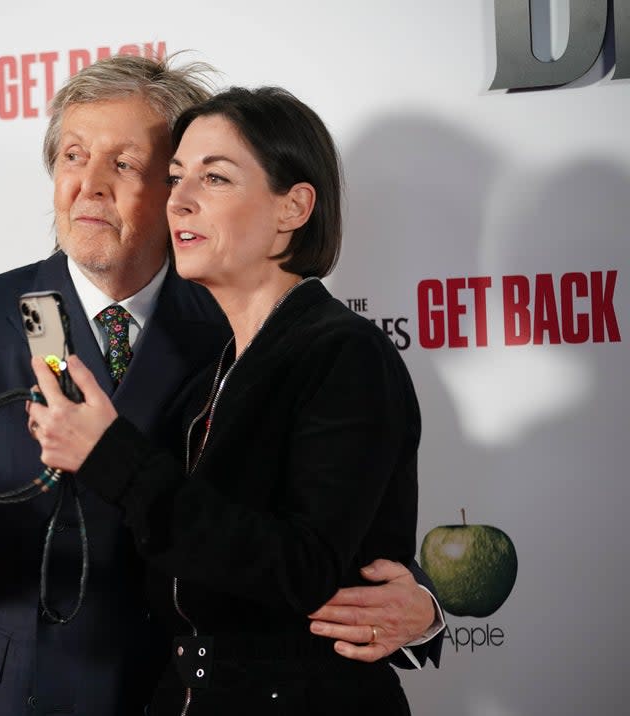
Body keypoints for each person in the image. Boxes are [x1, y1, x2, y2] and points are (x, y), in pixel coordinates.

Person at [0, 56, 441, 716]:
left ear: (172, 189)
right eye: (72, 156)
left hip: (177, 696)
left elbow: (316, 534)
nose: (89, 185)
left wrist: (425, 607)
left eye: (126, 163)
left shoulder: (242, 322)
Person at [27, 85, 425, 714]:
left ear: (293, 207)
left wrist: (111, 454)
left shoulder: (342, 353)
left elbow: (301, 567)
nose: (177, 200)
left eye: (213, 179)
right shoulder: (221, 365)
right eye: (177, 176)